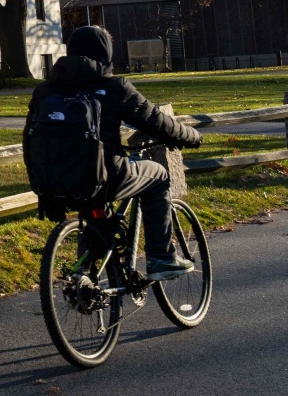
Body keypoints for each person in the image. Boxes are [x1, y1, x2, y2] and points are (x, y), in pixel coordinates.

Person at [29, 25, 203, 280]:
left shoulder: (46, 90)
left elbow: (30, 139)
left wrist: (40, 185)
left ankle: (84, 275)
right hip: (107, 175)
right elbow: (155, 121)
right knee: (159, 176)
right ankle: (161, 257)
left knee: (95, 214)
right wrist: (192, 136)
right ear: (106, 52)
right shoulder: (114, 86)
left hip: (55, 180)